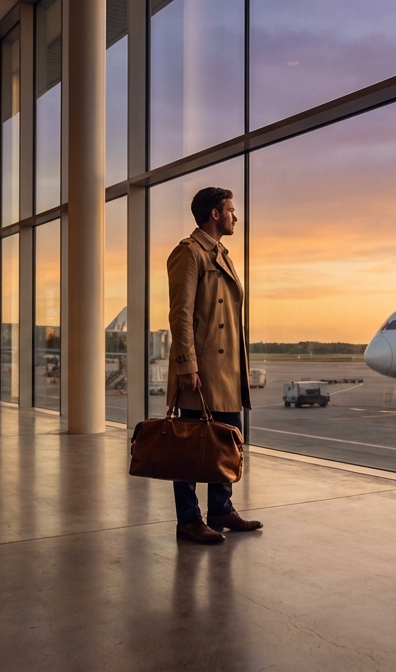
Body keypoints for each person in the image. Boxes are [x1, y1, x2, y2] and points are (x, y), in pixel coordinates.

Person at [165, 187, 262, 544]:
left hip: (226, 372)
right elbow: (181, 313)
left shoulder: (222, 254)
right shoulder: (188, 254)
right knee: (190, 447)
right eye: (231, 210)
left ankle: (220, 508)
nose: (236, 216)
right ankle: (188, 520)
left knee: (226, 443)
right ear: (215, 215)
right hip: (202, 371)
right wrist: (186, 365)